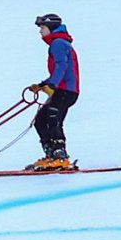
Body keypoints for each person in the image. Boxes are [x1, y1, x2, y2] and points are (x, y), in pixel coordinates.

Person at [28, 14, 80, 170]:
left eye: (42, 28)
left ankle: (60, 157)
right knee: (40, 121)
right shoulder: (59, 43)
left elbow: (61, 66)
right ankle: (51, 155)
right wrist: (42, 84)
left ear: (51, 28)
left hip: (65, 90)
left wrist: (52, 84)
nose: (40, 32)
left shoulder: (58, 43)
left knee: (53, 119)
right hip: (62, 89)